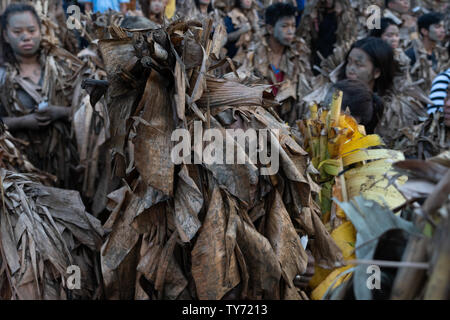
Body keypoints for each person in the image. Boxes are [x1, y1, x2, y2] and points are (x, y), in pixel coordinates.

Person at [0, 3, 81, 189]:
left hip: (69, 165)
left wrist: (60, 112)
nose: (26, 36)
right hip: (23, 171)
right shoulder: (3, 77)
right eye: (17, 31)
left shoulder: (65, 67)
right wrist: (23, 122)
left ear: (41, 30)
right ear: (5, 35)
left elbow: (90, 112)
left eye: (31, 30)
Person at [244, 2, 313, 124]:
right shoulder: (254, 55)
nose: (291, 31)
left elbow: (306, 94)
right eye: (285, 26)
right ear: (270, 29)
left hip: (288, 125)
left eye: (293, 25)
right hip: (259, 123)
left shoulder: (298, 56)